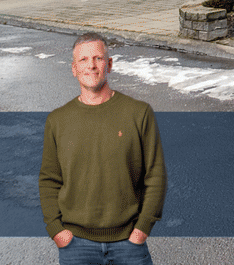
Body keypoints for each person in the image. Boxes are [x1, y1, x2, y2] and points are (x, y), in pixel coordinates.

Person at [38, 32, 167, 264]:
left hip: (129, 242)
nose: (91, 66)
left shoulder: (139, 113)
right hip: (76, 244)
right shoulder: (57, 120)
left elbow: (155, 175)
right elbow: (49, 179)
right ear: (74, 68)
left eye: (98, 58)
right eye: (83, 60)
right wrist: (56, 230)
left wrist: (142, 228)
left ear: (109, 64)